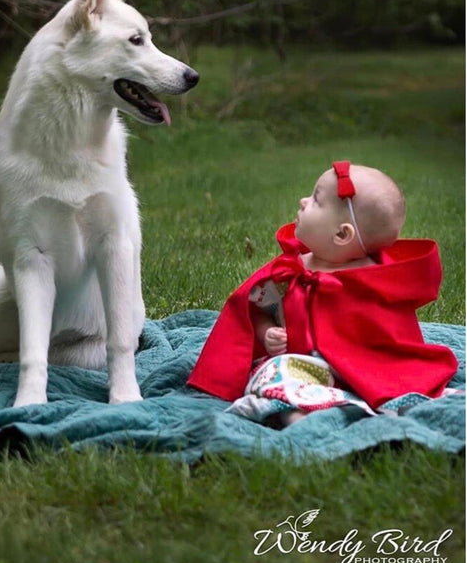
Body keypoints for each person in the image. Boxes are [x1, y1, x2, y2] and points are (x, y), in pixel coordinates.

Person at [187, 161, 458, 425]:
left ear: (342, 234)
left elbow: (392, 337)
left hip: (359, 369)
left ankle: (370, 404)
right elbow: (253, 311)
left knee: (401, 378)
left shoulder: (375, 282)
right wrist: (266, 332)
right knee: (275, 373)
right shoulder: (289, 272)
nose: (304, 201)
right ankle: (299, 415)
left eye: (316, 200)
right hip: (301, 366)